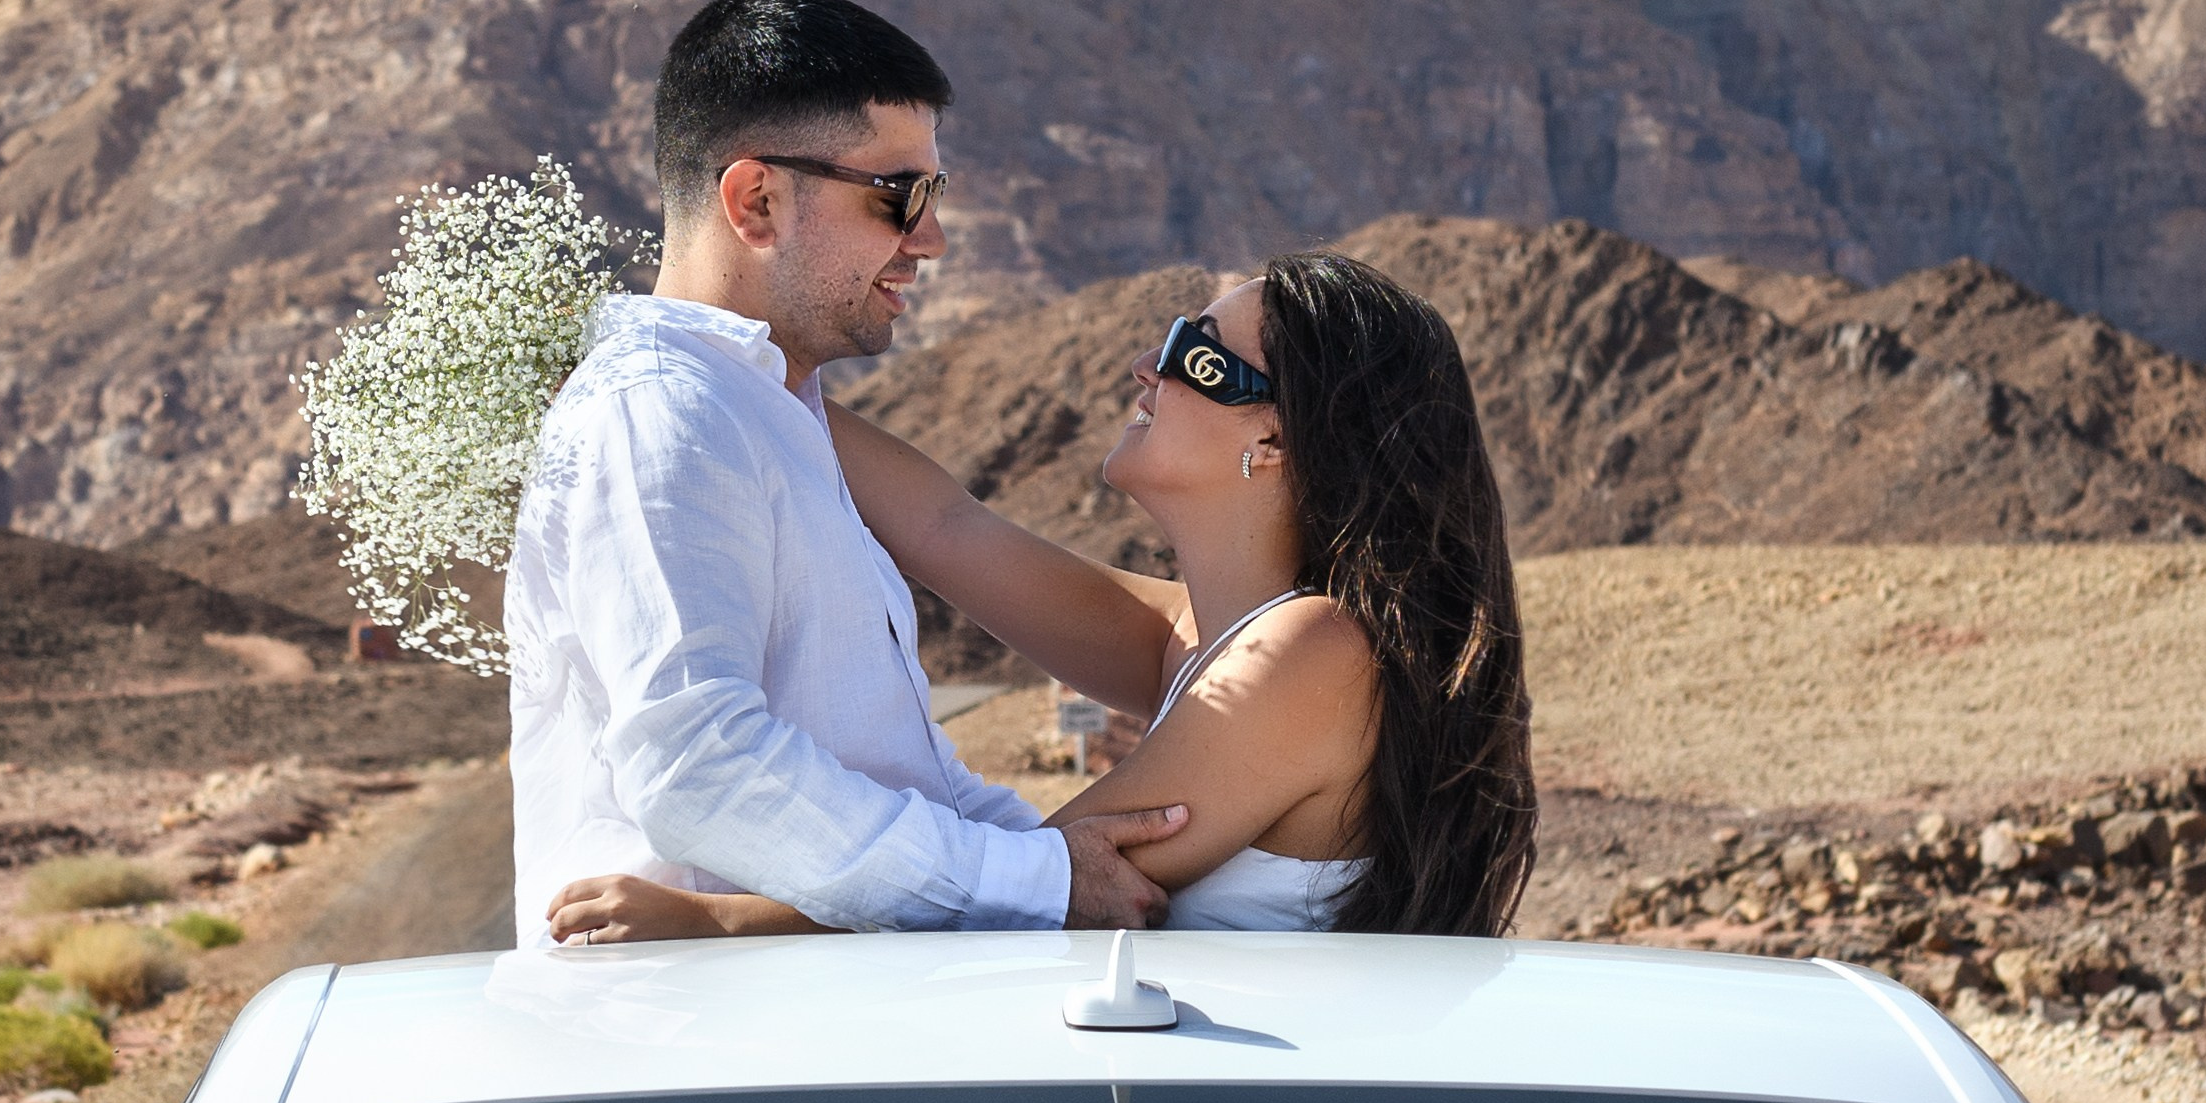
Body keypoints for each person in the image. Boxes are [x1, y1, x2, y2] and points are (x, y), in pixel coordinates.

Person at [549, 246, 1536, 944]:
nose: (1147, 365)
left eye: (1196, 353)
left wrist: (725, 921)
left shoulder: (1312, 655)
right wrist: (684, 361)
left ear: (1277, 438)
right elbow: (947, 529)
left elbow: (1051, 881)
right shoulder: (1193, 639)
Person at [508, 0, 1191, 947]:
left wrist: (1066, 867)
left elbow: (901, 772)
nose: (932, 240)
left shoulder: (768, 414)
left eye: (933, 195)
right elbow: (698, 763)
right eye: (898, 196)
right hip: (703, 1067)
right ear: (756, 200)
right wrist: (1034, 878)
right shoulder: (659, 410)